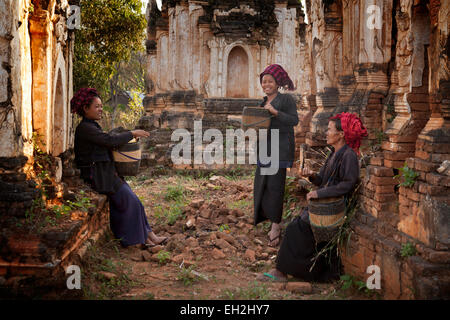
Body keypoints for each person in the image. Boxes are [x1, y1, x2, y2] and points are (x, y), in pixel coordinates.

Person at [258, 112, 367, 282]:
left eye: (329, 129)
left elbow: (348, 184)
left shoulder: (349, 156)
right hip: (323, 205)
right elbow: (322, 179)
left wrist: (319, 193)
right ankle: (313, 273)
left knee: (296, 229)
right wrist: (310, 176)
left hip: (333, 207)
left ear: (341, 134)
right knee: (296, 226)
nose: (326, 133)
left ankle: (281, 272)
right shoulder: (333, 153)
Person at [71, 88, 167, 248]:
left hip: (107, 174)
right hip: (98, 177)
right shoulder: (85, 128)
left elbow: (107, 141)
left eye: (101, 106)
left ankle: (150, 236)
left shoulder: (92, 126)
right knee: (132, 202)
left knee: (136, 202)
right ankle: (140, 240)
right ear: (85, 109)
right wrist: (131, 133)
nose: (101, 109)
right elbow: (108, 140)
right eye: (97, 106)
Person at [253, 64, 299, 247]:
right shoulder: (262, 102)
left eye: (270, 81)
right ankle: (267, 219)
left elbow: (294, 120)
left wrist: (275, 112)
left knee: (275, 186)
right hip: (265, 148)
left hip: (280, 149)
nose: (266, 84)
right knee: (262, 185)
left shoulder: (285, 100)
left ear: (277, 82)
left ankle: (276, 226)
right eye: (264, 81)